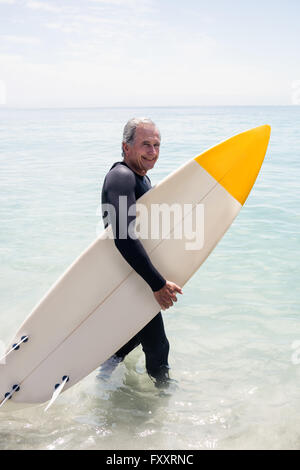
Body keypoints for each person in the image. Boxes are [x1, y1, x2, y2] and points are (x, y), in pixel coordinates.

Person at [99, 117, 183, 387]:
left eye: (157, 145)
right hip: (132, 278)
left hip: (135, 277)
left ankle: (103, 380)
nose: (153, 151)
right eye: (145, 144)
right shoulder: (121, 177)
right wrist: (157, 284)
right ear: (126, 147)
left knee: (135, 337)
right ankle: (163, 399)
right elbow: (122, 235)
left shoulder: (140, 179)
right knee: (158, 345)